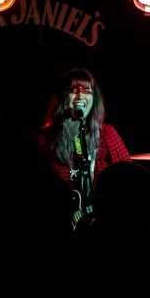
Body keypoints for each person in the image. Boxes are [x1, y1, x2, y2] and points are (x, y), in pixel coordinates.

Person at [37, 67, 132, 231]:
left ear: (94, 99)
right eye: (73, 90)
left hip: (100, 226)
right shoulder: (46, 138)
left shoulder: (107, 134)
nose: (80, 95)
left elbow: (130, 179)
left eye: (87, 90)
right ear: (62, 98)